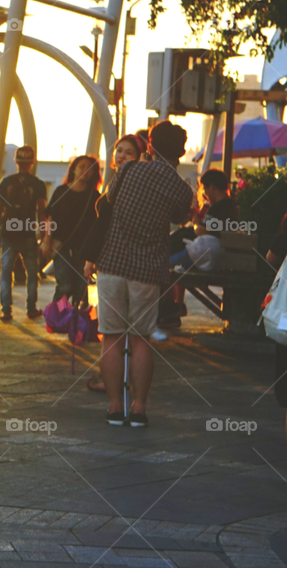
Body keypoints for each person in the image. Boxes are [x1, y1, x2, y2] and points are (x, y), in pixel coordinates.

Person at [94, 121, 192, 428]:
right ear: (182, 151)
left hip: (112, 262)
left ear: (149, 145)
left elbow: (108, 200)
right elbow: (178, 218)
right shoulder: (182, 189)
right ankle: (138, 408)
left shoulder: (128, 171)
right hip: (148, 270)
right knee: (141, 340)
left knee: (111, 337)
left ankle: (113, 408)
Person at [87, 135, 145, 393]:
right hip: (140, 266)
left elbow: (103, 225)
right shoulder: (127, 183)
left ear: (139, 158)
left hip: (116, 262)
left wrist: (90, 257)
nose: (121, 156)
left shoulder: (122, 185)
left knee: (113, 332)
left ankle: (115, 385)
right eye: (119, 151)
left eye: (128, 153)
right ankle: (126, 383)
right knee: (134, 333)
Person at [0, 146, 47, 322]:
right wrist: (44, 236)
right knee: (32, 273)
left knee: (6, 272)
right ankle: (31, 308)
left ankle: (6, 310)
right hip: (28, 233)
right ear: (32, 162)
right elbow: (41, 211)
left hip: (8, 233)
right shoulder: (38, 184)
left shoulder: (6, 182)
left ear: (16, 162)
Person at [44, 156, 101, 307]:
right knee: (64, 285)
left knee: (82, 289)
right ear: (73, 169)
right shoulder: (61, 191)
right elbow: (51, 218)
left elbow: (98, 226)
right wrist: (47, 241)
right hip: (62, 247)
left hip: (84, 251)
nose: (85, 171)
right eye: (81, 166)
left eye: (90, 168)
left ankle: (78, 322)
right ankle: (57, 316)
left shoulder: (94, 196)